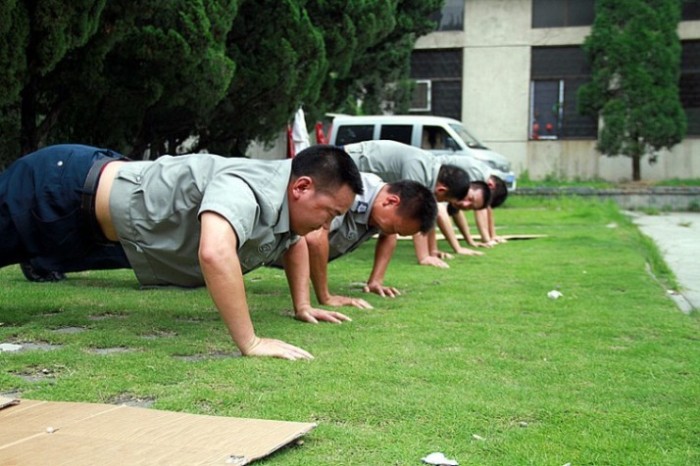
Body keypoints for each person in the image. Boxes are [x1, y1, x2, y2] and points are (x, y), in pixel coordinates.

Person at [0, 144, 363, 360]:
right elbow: (215, 253)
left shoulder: (285, 200)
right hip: (58, 188)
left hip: (91, 233)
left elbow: (293, 242)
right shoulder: (248, 187)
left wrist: (302, 305)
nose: (326, 226)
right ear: (302, 187)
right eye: (330, 213)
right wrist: (250, 342)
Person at [278, 172, 438, 321]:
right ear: (391, 201)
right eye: (395, 228)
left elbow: (388, 235)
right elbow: (314, 239)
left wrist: (376, 281)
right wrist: (325, 297)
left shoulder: (382, 206)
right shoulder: (348, 192)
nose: (392, 233)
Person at [342, 140, 491, 268]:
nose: (440, 203)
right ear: (441, 190)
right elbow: (411, 211)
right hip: (344, 163)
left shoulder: (431, 172)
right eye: (444, 200)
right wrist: (424, 257)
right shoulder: (419, 168)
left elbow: (427, 217)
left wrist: (433, 251)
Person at [435, 155, 508, 256]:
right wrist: (486, 239)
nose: (466, 205)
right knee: (436, 208)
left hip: (438, 176)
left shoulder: (483, 176)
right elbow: (441, 211)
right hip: (433, 172)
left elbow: (457, 209)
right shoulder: (477, 173)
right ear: (490, 185)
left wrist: (474, 239)